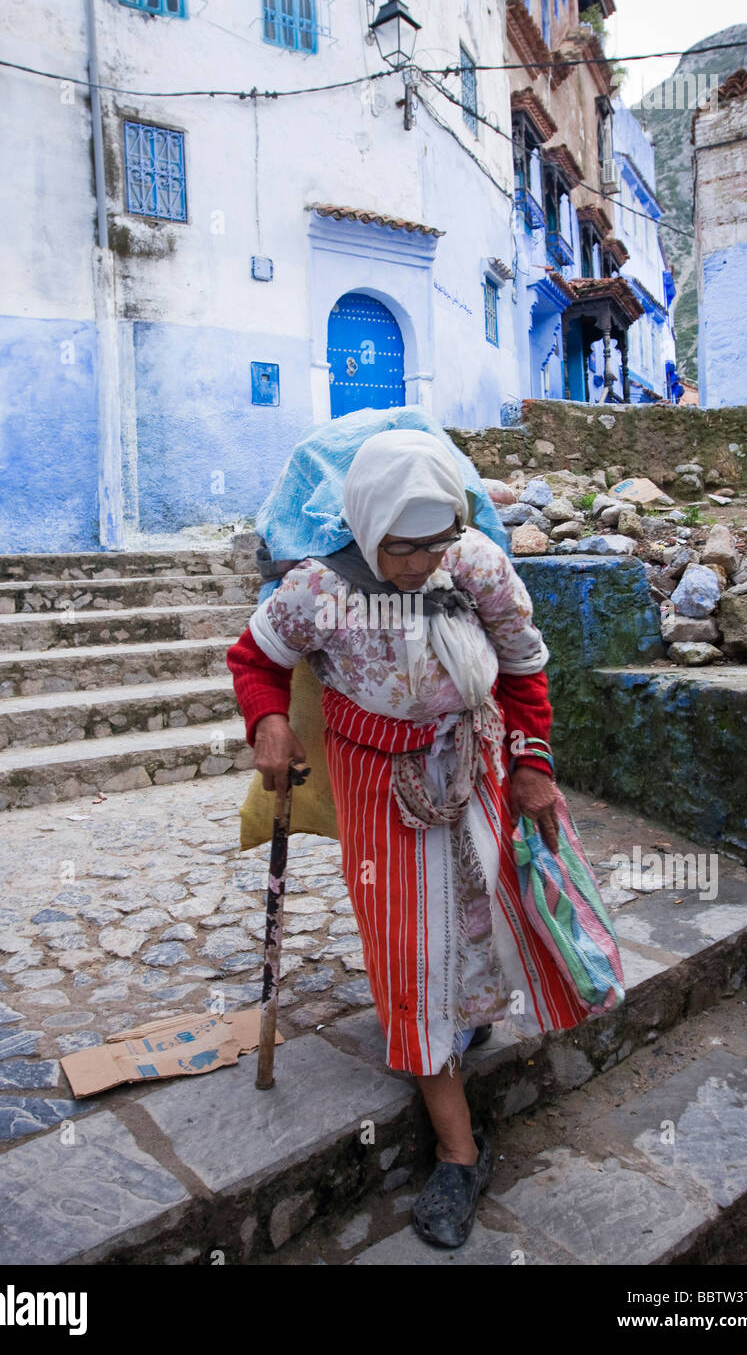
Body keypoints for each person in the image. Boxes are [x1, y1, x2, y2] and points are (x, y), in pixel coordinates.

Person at [226, 429, 586, 1249]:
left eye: (436, 543)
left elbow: (524, 665)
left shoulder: (478, 566)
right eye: (403, 548)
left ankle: (463, 1019)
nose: (422, 564)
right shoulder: (319, 588)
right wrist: (269, 721)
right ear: (366, 524)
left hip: (474, 761)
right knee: (407, 949)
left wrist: (533, 763)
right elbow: (255, 658)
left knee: (478, 916)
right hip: (376, 781)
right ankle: (460, 1153)